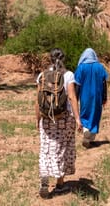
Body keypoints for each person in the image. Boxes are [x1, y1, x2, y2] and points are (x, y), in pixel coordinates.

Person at [35, 48, 82, 199]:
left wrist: (38, 119)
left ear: (49, 59)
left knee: (46, 147)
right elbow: (72, 98)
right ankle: (60, 184)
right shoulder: (68, 75)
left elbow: (37, 101)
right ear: (64, 59)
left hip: (46, 118)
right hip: (64, 118)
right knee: (62, 148)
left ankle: (44, 175)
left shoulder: (42, 76)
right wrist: (77, 118)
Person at [74, 48, 109, 149]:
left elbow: (77, 85)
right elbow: (104, 84)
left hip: (85, 97)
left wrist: (75, 98)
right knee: (95, 115)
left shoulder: (81, 68)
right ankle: (90, 138)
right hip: (97, 96)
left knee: (85, 114)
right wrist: (104, 98)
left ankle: (86, 133)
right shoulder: (100, 67)